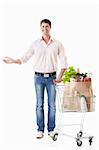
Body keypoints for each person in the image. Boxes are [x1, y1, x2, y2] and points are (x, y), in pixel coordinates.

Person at [3, 19, 68, 139]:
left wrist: (59, 78)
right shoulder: (35, 44)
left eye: (47, 26)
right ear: (40, 28)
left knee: (52, 105)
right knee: (39, 105)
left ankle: (51, 130)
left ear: (50, 27)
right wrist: (13, 61)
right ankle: (40, 130)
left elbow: (64, 62)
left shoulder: (57, 44)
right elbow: (25, 57)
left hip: (52, 78)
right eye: (42, 26)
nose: (45, 29)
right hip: (38, 78)